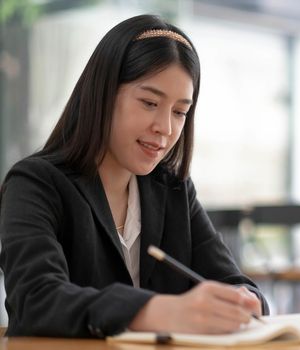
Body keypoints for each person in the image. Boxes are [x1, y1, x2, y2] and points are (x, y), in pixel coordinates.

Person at [0, 14, 268, 338]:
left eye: (180, 112)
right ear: (103, 94)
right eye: (149, 102)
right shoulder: (35, 184)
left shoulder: (173, 190)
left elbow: (233, 282)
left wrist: (245, 301)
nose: (166, 129)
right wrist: (154, 310)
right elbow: (34, 300)